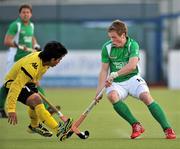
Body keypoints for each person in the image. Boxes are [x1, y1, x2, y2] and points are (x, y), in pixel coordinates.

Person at [95, 20, 176, 139]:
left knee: (146, 96)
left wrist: (115, 74)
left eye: (114, 37)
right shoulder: (106, 48)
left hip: (132, 78)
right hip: (117, 83)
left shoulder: (133, 45)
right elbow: (103, 70)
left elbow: (132, 65)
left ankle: (167, 129)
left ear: (123, 35)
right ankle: (135, 125)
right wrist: (99, 90)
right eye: (110, 37)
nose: (112, 40)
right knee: (112, 96)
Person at [1, 41, 73, 140]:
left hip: (29, 81)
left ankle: (34, 126)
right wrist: (11, 109)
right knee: (36, 99)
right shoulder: (31, 66)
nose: (59, 62)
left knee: (34, 102)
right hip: (13, 83)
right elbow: (15, 86)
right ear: (52, 59)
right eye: (59, 59)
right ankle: (58, 130)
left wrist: (34, 83)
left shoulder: (46, 61)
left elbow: (36, 74)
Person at [0, 4, 59, 118]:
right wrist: (19, 45)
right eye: (23, 12)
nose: (26, 14)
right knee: (7, 84)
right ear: (20, 13)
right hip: (15, 60)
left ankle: (46, 107)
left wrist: (36, 46)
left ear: (31, 14)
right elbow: (7, 41)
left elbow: (32, 37)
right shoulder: (15, 25)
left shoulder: (31, 25)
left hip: (27, 60)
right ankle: (1, 108)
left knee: (35, 82)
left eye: (28, 12)